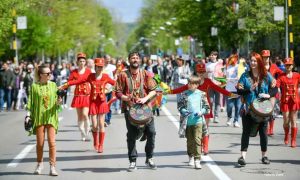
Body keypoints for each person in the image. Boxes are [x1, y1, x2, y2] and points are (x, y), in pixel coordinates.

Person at [169, 63, 236, 155]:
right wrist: (169, 91)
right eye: (199, 72)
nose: (201, 74)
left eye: (203, 72)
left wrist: (231, 94)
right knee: (197, 128)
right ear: (196, 72)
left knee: (205, 128)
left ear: (205, 72)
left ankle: (205, 147)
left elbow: (218, 89)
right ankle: (198, 146)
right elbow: (181, 89)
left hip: (205, 107)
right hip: (194, 108)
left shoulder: (208, 81)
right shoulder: (192, 81)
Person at [114, 52, 157, 171]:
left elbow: (154, 91)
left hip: (146, 109)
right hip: (130, 109)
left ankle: (149, 158)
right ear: (129, 60)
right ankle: (132, 161)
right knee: (132, 135)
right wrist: (125, 98)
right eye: (133, 58)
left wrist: (144, 99)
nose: (135, 59)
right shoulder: (123, 75)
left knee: (152, 132)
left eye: (137, 58)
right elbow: (117, 92)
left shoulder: (145, 74)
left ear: (140, 60)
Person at [61, 58, 115, 153]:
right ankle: (95, 142)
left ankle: (101, 145)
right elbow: (78, 81)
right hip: (93, 102)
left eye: (101, 67)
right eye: (98, 67)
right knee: (94, 125)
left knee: (101, 124)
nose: (99, 68)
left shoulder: (105, 76)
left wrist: (124, 87)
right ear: (95, 67)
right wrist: (66, 85)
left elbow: (115, 83)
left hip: (102, 102)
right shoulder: (90, 76)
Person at [236, 52, 276, 166]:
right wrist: (249, 90)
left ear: (259, 62)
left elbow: (275, 89)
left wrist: (269, 94)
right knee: (246, 132)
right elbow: (239, 90)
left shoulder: (266, 75)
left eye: (255, 61)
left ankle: (264, 156)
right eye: (251, 60)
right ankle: (243, 156)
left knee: (263, 133)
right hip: (248, 109)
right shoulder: (245, 75)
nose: (252, 63)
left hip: (263, 109)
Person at [26, 64, 62, 176]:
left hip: (51, 117)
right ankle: (40, 164)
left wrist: (58, 102)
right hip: (39, 117)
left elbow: (57, 103)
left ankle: (52, 166)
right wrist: (28, 115)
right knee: (40, 143)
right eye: (48, 73)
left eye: (50, 73)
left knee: (52, 143)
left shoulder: (53, 85)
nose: (50, 75)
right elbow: (30, 102)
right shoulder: (34, 87)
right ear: (41, 75)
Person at [177, 75, 210, 169]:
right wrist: (184, 111)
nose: (189, 85)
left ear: (197, 85)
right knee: (190, 141)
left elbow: (207, 107)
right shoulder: (184, 94)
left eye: (191, 84)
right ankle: (190, 157)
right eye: (189, 83)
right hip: (187, 122)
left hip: (198, 121)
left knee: (197, 140)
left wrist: (201, 112)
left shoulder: (202, 94)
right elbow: (180, 106)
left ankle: (197, 160)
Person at [68, 52, 91, 141]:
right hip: (78, 95)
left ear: (85, 62)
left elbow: (93, 81)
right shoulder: (74, 72)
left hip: (86, 95)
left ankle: (87, 132)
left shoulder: (88, 71)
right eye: (80, 61)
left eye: (83, 61)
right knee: (80, 116)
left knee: (85, 114)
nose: (82, 63)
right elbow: (69, 82)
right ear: (77, 62)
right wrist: (64, 87)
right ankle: (82, 132)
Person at [277, 58, 300, 148]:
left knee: (293, 119)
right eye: (286, 65)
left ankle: (293, 140)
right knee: (286, 120)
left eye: (290, 65)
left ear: (292, 66)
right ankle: (287, 134)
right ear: (284, 66)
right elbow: (277, 86)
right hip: (285, 101)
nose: (288, 66)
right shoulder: (281, 76)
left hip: (295, 100)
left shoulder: (297, 75)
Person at [261, 50, 284, 136]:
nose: (266, 58)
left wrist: (277, 83)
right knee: (264, 110)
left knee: (270, 109)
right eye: (264, 57)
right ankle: (265, 128)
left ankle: (270, 129)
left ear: (269, 57)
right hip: (262, 90)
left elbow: (282, 74)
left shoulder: (274, 66)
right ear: (262, 58)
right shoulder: (259, 66)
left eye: (267, 57)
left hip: (272, 90)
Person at [206, 51, 222, 123]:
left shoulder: (219, 64)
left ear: (216, 56)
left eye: (213, 55)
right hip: (210, 85)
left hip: (218, 84)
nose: (212, 56)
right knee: (211, 101)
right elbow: (205, 74)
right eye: (211, 55)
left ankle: (216, 116)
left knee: (217, 101)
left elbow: (222, 74)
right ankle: (211, 114)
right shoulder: (207, 64)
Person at [225, 54, 241, 127]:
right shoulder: (227, 67)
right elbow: (224, 76)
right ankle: (229, 117)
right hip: (229, 90)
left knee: (238, 106)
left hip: (238, 89)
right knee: (230, 106)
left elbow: (240, 76)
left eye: (234, 59)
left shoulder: (239, 67)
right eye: (231, 59)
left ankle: (236, 121)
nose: (233, 60)